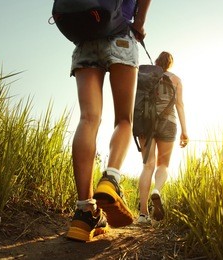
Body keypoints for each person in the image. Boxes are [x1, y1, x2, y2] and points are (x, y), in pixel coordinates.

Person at [66, 0, 152, 242]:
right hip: (121, 33)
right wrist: (140, 24)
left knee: (88, 118)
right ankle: (111, 179)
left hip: (85, 37)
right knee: (124, 119)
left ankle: (84, 212)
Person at [137, 51, 189, 224]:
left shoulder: (146, 75)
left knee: (147, 166)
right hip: (169, 122)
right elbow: (180, 105)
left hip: (146, 122)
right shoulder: (176, 80)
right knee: (163, 165)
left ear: (157, 62)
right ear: (170, 64)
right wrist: (184, 131)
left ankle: (143, 215)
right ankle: (157, 190)